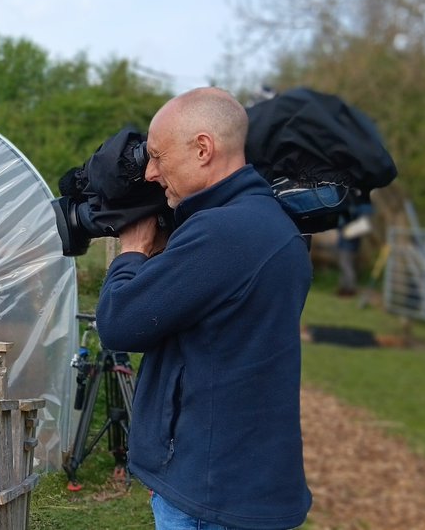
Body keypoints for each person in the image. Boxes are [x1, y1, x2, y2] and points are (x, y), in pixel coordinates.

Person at [95, 87, 312, 530]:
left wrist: (132, 252)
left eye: (158, 156)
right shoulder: (264, 222)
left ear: (203, 149)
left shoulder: (222, 232)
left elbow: (119, 324)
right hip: (239, 480)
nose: (151, 173)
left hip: (209, 496)